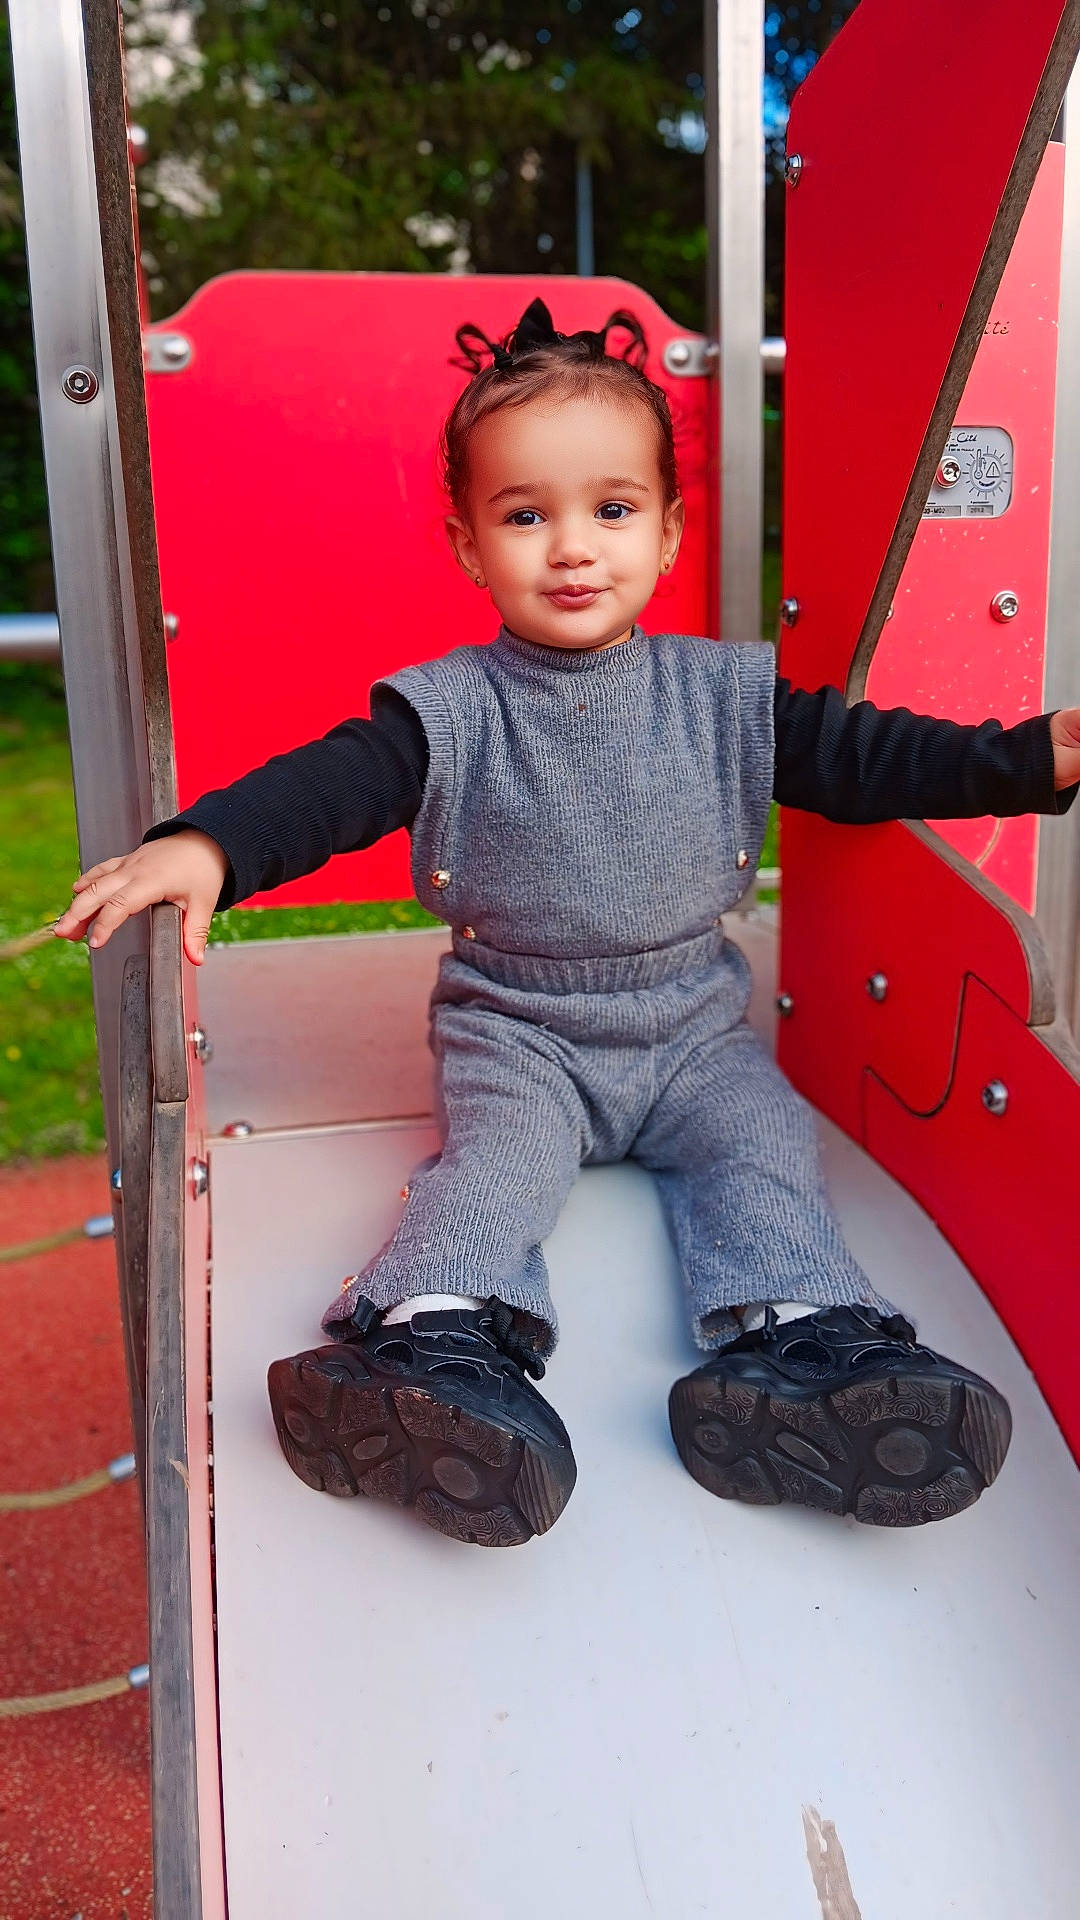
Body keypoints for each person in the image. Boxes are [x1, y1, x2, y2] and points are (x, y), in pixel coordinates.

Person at [57, 298, 1080, 1549]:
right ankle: (429, 1349)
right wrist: (206, 842)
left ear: (668, 531)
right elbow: (324, 788)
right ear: (468, 546)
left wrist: (1024, 762)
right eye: (525, 515)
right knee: (493, 1171)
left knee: (762, 1152)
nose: (571, 548)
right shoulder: (450, 710)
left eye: (611, 510)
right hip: (520, 1029)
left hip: (695, 1028)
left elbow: (876, 760)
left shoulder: (724, 693)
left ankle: (807, 1352)